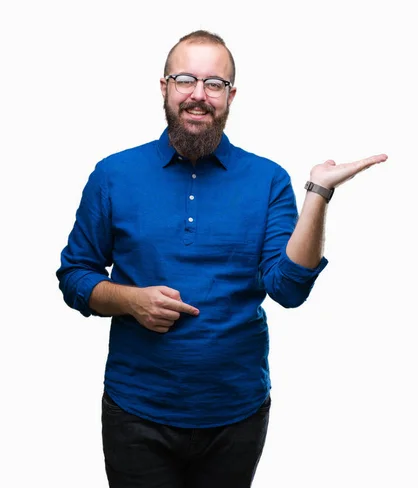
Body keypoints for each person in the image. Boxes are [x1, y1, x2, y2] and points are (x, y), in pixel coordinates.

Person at [56, 29, 387, 488]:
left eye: (214, 84)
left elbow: (288, 289)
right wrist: (130, 300)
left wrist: (318, 193)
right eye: (185, 79)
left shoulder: (267, 180)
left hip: (236, 415)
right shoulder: (114, 174)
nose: (198, 94)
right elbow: (74, 276)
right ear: (164, 88)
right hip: (136, 412)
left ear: (231, 95)